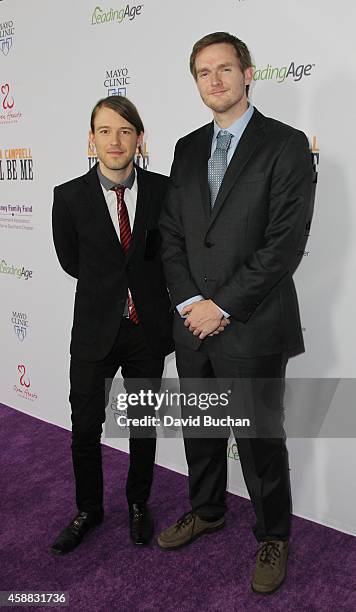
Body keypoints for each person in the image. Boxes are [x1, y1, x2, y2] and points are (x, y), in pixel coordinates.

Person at [158, 32, 313, 594]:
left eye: (226, 68)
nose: (215, 80)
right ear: (196, 82)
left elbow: (284, 243)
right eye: (204, 72)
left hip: (252, 322)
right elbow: (171, 234)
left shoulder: (287, 144)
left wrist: (221, 305)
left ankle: (273, 533)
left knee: (258, 439)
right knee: (200, 431)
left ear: (249, 73)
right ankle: (207, 509)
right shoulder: (185, 146)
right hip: (190, 323)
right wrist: (187, 304)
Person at [51, 95, 173, 554]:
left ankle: (138, 504)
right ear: (91, 140)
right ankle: (88, 509)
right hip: (93, 332)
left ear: (139, 139)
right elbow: (71, 261)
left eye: (125, 131)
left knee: (143, 424)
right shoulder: (68, 196)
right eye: (105, 131)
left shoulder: (165, 191)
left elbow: (167, 256)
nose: (115, 140)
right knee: (84, 428)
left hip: (147, 331)